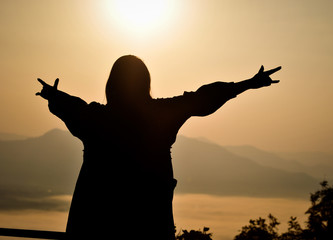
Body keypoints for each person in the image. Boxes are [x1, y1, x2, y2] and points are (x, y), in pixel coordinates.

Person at [36, 55, 281, 240]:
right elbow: (203, 97)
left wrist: (53, 96)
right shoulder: (161, 114)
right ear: (146, 83)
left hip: (94, 221)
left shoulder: (95, 118)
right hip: (150, 221)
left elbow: (70, 106)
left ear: (111, 84)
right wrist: (247, 83)